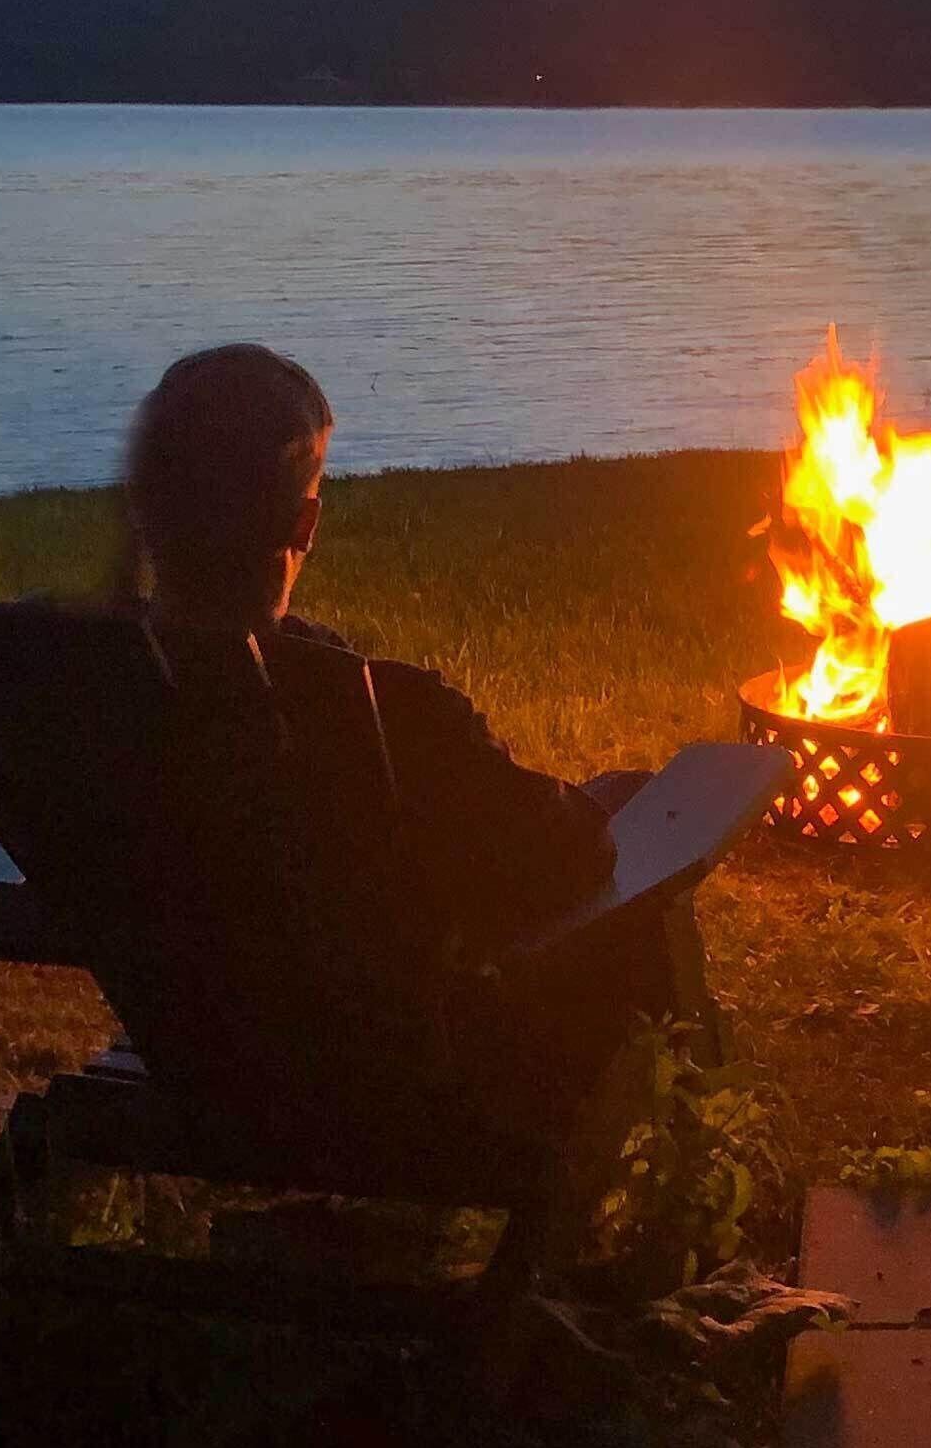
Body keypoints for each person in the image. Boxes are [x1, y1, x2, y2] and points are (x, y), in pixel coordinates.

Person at [106, 343, 676, 1100]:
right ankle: (687, 1125)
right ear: (305, 522)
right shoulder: (386, 712)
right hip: (398, 1091)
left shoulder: (92, 694)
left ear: (148, 511)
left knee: (624, 790)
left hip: (197, 1058)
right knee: (648, 822)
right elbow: (569, 854)